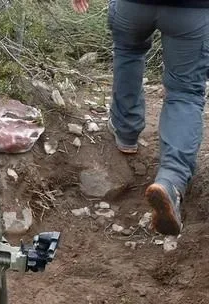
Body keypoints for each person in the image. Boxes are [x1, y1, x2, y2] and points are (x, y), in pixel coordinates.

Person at [73, 0, 209, 236]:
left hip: (133, 7)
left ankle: (125, 131)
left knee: (128, 53)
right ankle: (171, 180)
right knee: (184, 93)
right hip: (191, 11)